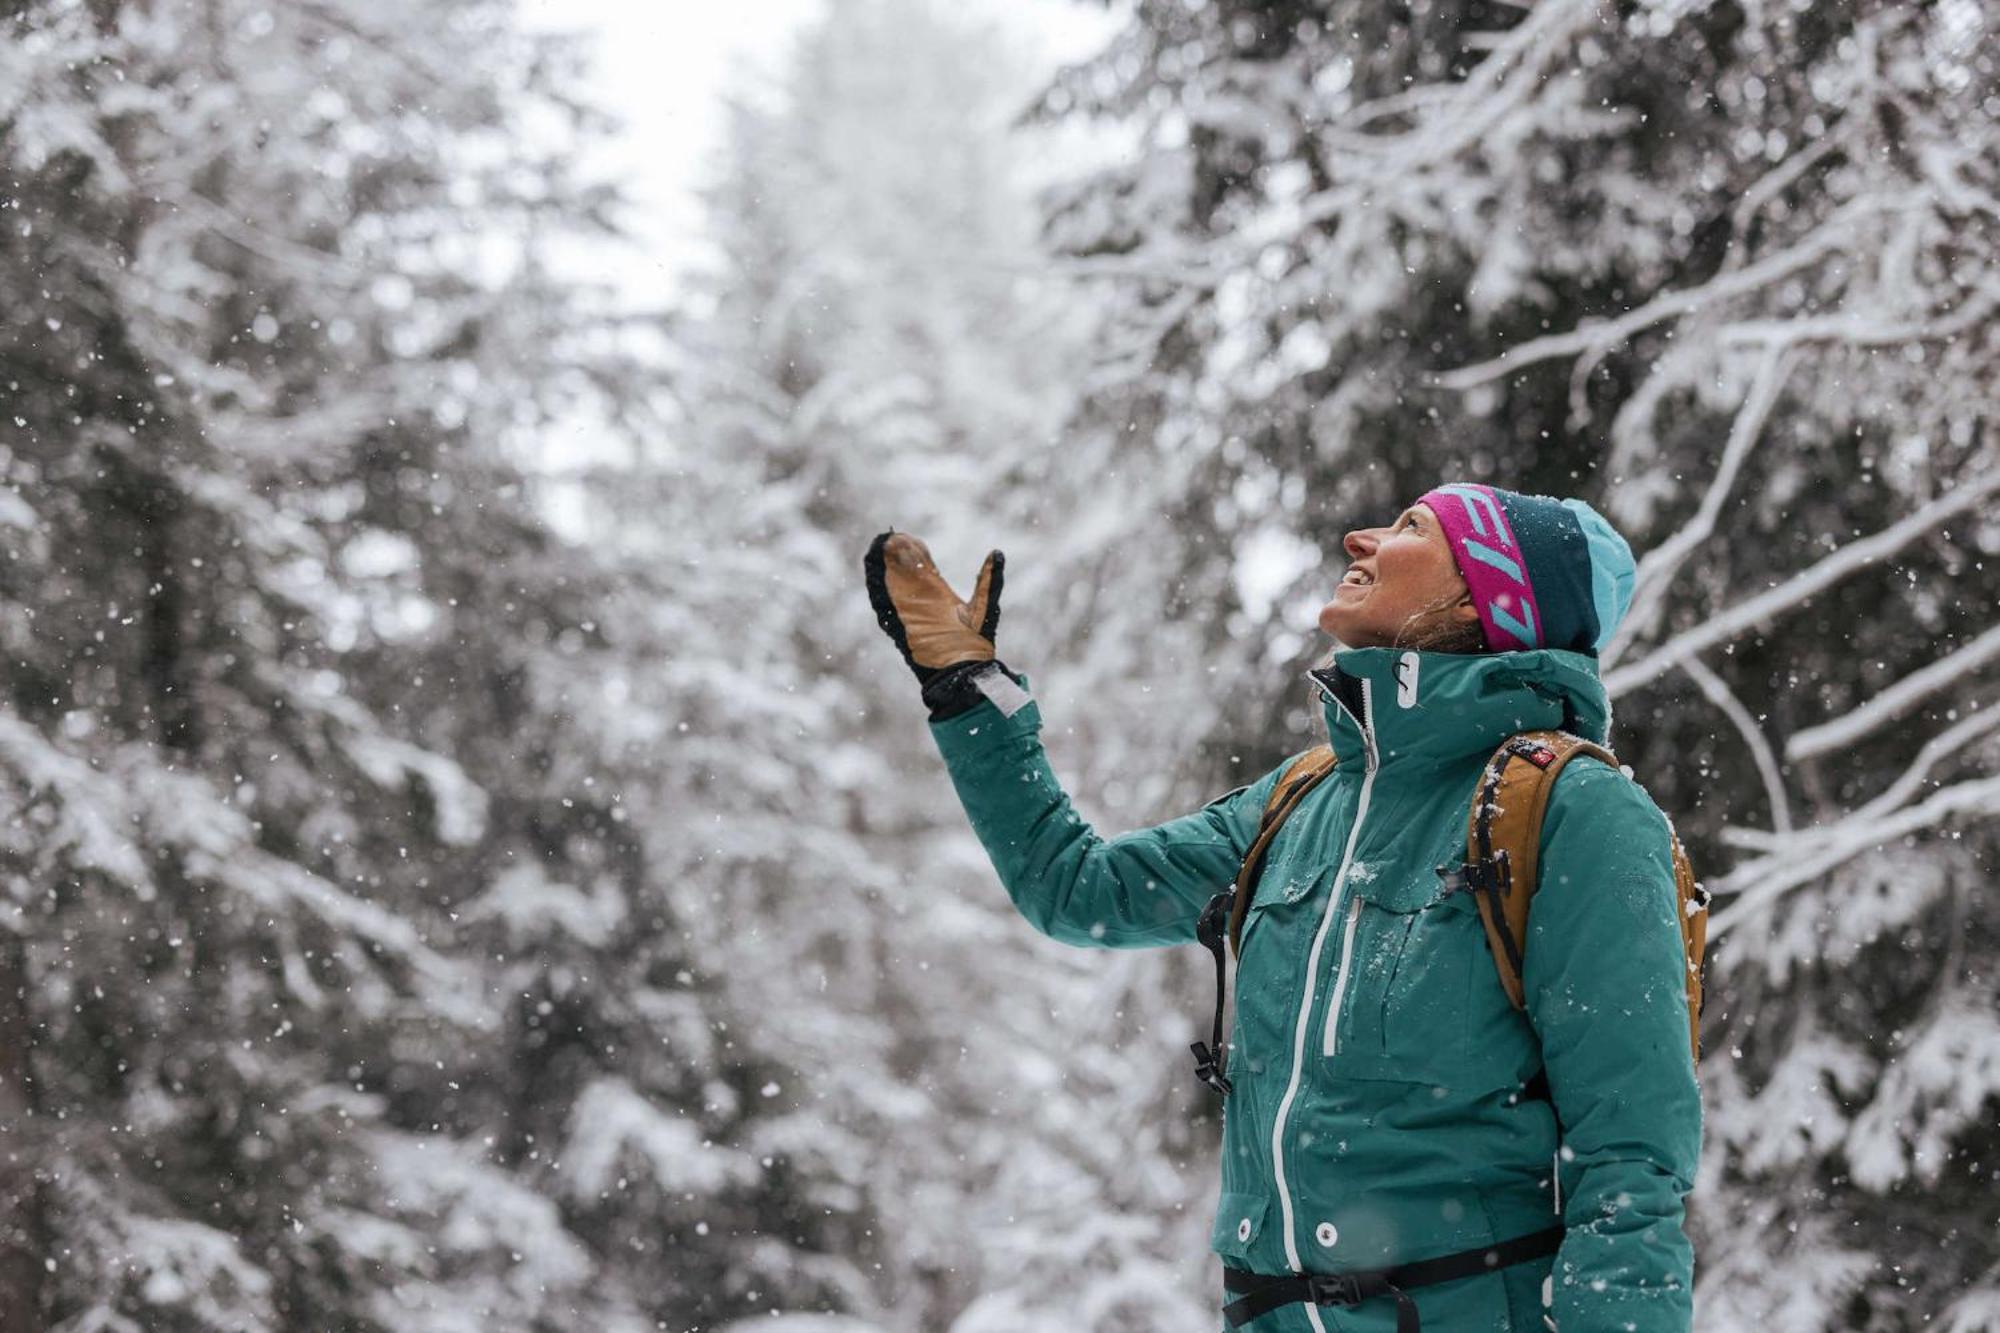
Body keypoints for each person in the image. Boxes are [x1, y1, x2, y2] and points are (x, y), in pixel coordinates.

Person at [862, 483, 1701, 1333]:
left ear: (1488, 596)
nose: (1360, 537)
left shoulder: (1572, 811)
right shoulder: (1301, 802)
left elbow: (1629, 1157)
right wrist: (970, 693)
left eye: (1411, 528)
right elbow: (1076, 889)